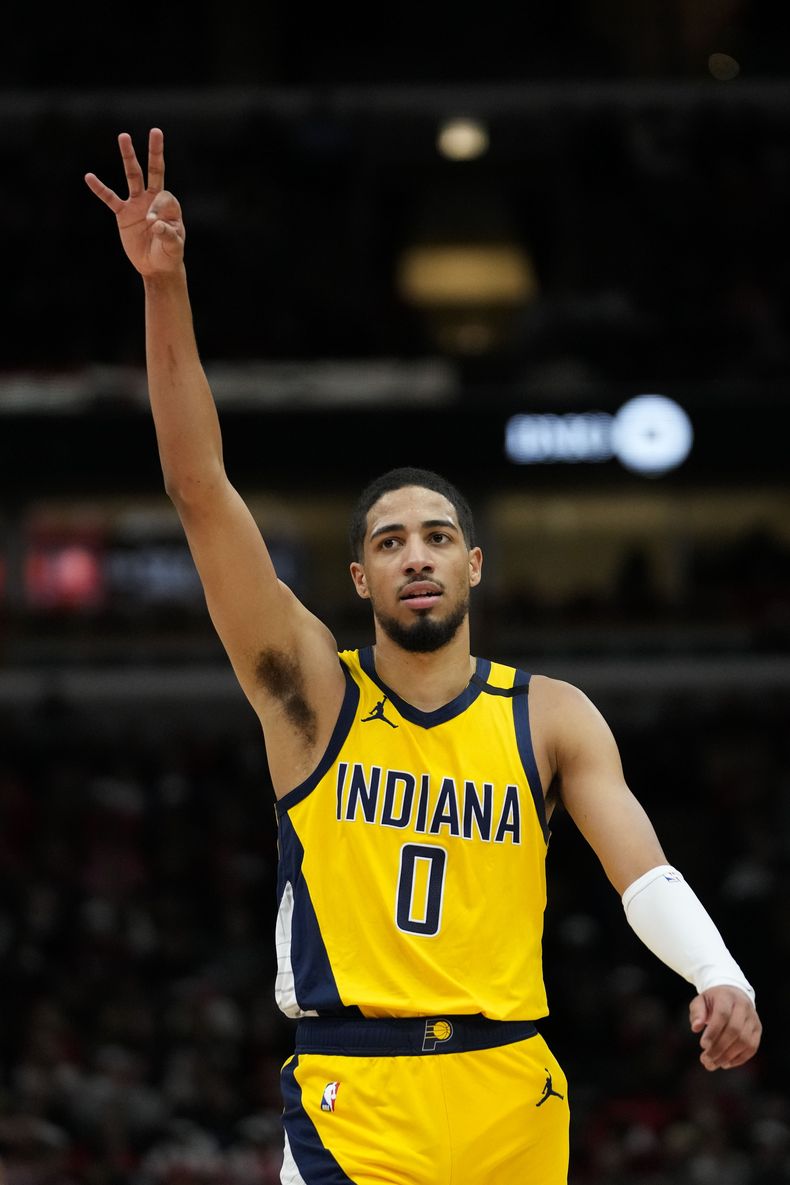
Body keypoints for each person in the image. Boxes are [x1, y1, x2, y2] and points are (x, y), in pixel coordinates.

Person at [85, 128, 762, 1185]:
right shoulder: (311, 695)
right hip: (357, 1098)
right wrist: (163, 284)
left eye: (437, 537)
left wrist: (720, 972)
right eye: (389, 542)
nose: (415, 557)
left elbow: (645, 873)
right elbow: (198, 488)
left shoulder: (551, 715)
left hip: (513, 1092)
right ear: (357, 579)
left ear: (475, 565)